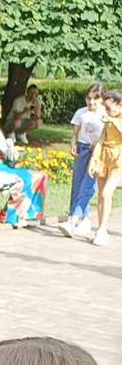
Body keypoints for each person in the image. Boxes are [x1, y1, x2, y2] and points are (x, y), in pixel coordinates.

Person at [60, 83, 107, 238]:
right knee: (77, 183)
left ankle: (75, 219)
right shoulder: (81, 112)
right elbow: (75, 132)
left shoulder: (106, 114)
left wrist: (99, 146)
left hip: (98, 152)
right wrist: (73, 144)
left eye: (95, 99)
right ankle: (81, 218)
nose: (91, 102)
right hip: (83, 148)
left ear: (102, 99)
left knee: (88, 185)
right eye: (89, 98)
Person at [85, 90, 122, 248]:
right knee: (101, 195)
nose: (106, 111)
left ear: (119, 105)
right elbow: (101, 139)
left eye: (109, 107)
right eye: (105, 108)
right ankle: (101, 229)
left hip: (118, 159)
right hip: (104, 157)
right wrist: (93, 159)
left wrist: (112, 121)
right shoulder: (108, 119)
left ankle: (102, 228)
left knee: (107, 192)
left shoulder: (115, 119)